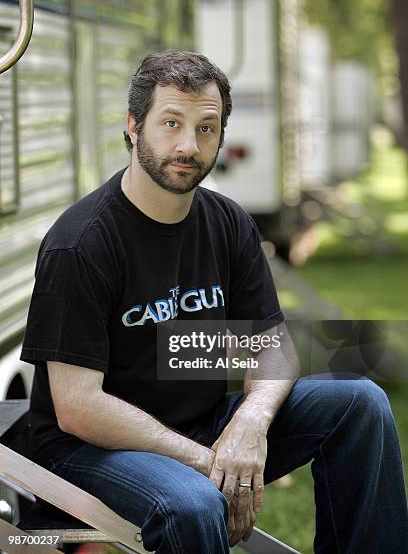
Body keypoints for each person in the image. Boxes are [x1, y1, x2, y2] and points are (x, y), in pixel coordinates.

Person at [20, 51, 408, 554]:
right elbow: (76, 409)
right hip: (88, 449)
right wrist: (209, 462)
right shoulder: (83, 243)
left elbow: (271, 349)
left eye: (206, 128)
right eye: (171, 123)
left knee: (362, 403)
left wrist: (249, 424)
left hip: (199, 426)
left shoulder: (227, 222)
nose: (188, 145)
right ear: (134, 127)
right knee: (195, 501)